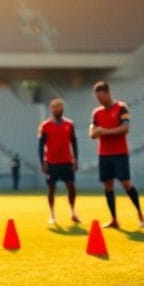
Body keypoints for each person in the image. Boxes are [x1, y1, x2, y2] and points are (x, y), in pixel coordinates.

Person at [90, 81, 144, 229]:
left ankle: (140, 213)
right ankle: (114, 219)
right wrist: (99, 131)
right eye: (97, 99)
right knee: (108, 185)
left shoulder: (121, 108)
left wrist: (104, 131)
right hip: (104, 154)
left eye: (101, 97)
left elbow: (125, 128)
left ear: (108, 93)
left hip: (120, 153)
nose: (100, 101)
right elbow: (92, 133)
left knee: (126, 183)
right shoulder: (96, 113)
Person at [38, 97, 80, 226]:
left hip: (67, 162)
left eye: (58, 106)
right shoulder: (45, 125)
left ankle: (73, 212)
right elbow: (40, 145)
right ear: (51, 109)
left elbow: (74, 142)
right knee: (51, 188)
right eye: (54, 107)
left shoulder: (69, 124)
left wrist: (76, 160)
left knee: (71, 187)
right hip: (51, 162)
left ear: (62, 108)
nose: (56, 109)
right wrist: (42, 162)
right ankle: (52, 214)